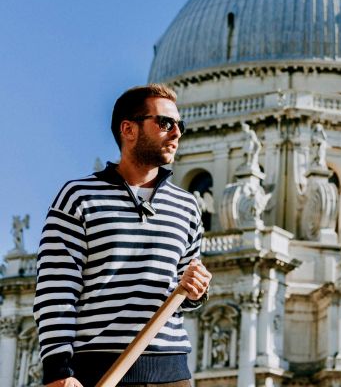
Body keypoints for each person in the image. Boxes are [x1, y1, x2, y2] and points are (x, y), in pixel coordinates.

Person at [34, 84, 212, 387]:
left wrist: (196, 291)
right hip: (97, 371)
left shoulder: (188, 206)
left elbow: (183, 290)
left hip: (172, 374)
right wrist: (58, 371)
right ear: (128, 129)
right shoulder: (78, 197)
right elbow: (56, 289)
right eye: (165, 123)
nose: (177, 133)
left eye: (180, 125)